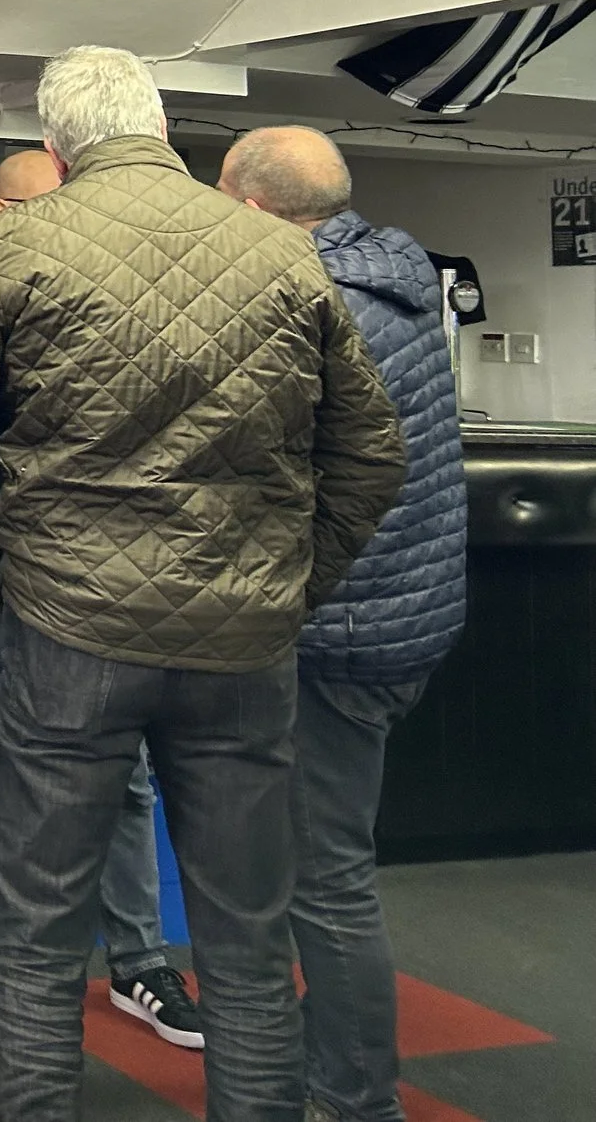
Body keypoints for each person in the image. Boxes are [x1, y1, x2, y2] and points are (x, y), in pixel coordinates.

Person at [0, 47, 405, 1121]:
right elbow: (371, 453)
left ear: (55, 146)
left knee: (35, 940)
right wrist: (290, 585)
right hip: (242, 642)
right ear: (162, 126)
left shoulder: (16, 245)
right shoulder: (280, 254)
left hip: (66, 630)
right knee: (246, 941)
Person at [0, 146, 204, 1049]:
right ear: (4, 213)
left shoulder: (132, 299)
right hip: (12, 584)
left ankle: (140, 962)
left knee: (126, 777)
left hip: (126, 586)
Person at [220, 126, 468, 1122]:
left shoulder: (319, 310)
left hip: (335, 631)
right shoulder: (392, 279)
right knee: (313, 875)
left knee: (323, 885)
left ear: (248, 210)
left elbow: (276, 470)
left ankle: (357, 1102)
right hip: (392, 620)